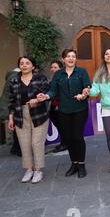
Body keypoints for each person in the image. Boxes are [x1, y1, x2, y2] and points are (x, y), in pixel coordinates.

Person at [37, 49, 91, 178]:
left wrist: (84, 93)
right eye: (68, 56)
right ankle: (74, 164)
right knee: (68, 138)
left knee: (77, 137)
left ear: (76, 59)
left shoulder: (82, 72)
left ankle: (82, 165)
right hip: (64, 110)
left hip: (80, 109)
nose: (71, 58)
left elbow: (87, 86)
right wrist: (45, 96)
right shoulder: (58, 75)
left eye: (73, 56)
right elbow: (53, 91)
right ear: (63, 59)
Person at [8, 56, 49, 183]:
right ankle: (29, 169)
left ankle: (38, 170)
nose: (24, 65)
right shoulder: (14, 81)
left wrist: (38, 99)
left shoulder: (40, 78)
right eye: (21, 63)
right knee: (24, 143)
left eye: (27, 63)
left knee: (36, 143)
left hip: (39, 114)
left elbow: (48, 93)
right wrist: (11, 118)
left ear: (33, 66)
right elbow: (11, 101)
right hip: (20, 114)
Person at [0, 68, 22, 156]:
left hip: (6, 107)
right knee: (19, 129)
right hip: (13, 107)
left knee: (16, 129)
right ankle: (19, 149)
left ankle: (15, 148)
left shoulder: (9, 77)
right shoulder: (15, 77)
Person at [47, 60, 67, 153]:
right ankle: (63, 143)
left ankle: (65, 144)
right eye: (52, 67)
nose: (53, 69)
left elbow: (62, 94)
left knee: (62, 126)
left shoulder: (62, 79)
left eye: (55, 67)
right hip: (53, 105)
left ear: (60, 68)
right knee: (58, 125)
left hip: (60, 106)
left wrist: (59, 105)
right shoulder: (53, 79)